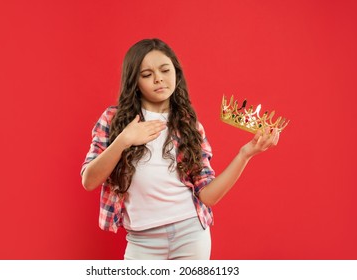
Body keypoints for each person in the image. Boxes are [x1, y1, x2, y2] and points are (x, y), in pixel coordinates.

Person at [81, 38, 279, 260]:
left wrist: (245, 154)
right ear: (134, 82)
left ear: (176, 73)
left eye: (165, 70)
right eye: (146, 75)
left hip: (191, 235)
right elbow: (89, 181)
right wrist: (124, 140)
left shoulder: (188, 125)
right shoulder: (113, 119)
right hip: (141, 241)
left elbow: (208, 196)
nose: (159, 78)